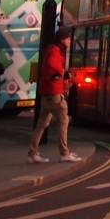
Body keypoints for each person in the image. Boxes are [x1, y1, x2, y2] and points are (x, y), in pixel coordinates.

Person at [28, 28, 82, 164]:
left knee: (42, 123)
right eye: (68, 38)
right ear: (61, 40)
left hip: (47, 93)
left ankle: (32, 153)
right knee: (64, 120)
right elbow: (51, 64)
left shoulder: (52, 49)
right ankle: (64, 153)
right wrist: (63, 72)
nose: (70, 40)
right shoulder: (54, 51)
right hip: (54, 93)